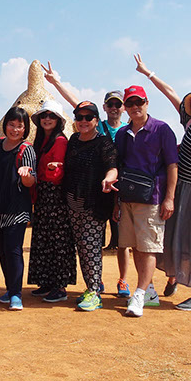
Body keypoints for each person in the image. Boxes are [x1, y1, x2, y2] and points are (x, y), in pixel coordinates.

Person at [134, 54, 191, 311]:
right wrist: (147, 73)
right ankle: (173, 276)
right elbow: (170, 93)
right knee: (171, 235)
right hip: (177, 188)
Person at [42, 62, 124, 256]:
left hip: (119, 181)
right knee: (94, 235)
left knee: (123, 236)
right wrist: (56, 82)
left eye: (117, 104)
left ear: (123, 107)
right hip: (98, 186)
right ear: (104, 108)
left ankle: (121, 269)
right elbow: (76, 104)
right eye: (110, 104)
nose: (113, 108)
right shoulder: (99, 126)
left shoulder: (128, 129)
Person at [114, 83, 178, 318]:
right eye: (130, 103)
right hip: (127, 197)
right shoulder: (122, 134)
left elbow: (172, 165)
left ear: (147, 103)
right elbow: (118, 166)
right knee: (135, 246)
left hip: (152, 198)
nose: (135, 107)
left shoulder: (162, 130)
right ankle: (148, 290)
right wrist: (116, 202)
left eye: (138, 102)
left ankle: (139, 294)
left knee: (148, 247)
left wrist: (169, 198)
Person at [62, 101, 118, 311]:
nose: (83, 121)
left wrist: (109, 178)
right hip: (72, 204)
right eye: (79, 117)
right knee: (82, 249)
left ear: (96, 120)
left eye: (88, 118)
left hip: (93, 206)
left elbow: (112, 166)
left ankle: (94, 293)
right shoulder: (74, 140)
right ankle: (91, 287)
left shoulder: (103, 143)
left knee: (91, 248)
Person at [0, 107, 37, 311]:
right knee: (2, 251)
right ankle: (9, 289)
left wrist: (26, 175)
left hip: (16, 208)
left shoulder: (26, 149)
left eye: (19, 126)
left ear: (25, 129)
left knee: (13, 250)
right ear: (5, 125)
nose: (15, 129)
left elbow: (31, 182)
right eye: (11, 125)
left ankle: (16, 294)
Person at [27, 100, 75, 303]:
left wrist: (52, 170)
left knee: (58, 239)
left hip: (55, 196)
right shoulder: (41, 141)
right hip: (43, 196)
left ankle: (60, 286)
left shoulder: (60, 141)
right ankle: (47, 281)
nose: (47, 119)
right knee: (44, 239)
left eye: (51, 116)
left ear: (58, 120)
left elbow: (58, 172)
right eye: (44, 116)